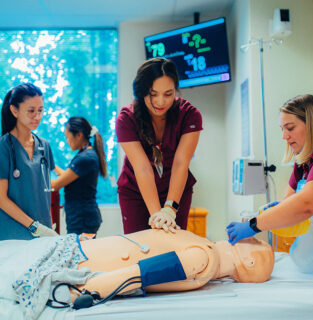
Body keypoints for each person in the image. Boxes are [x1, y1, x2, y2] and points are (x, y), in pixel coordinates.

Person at [116, 58, 202, 234]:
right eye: (153, 94)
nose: (160, 101)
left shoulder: (189, 115)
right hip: (136, 191)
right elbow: (143, 168)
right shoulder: (126, 119)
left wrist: (170, 209)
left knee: (173, 245)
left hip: (176, 189)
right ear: (141, 92)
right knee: (142, 246)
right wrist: (157, 216)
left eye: (168, 94)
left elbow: (181, 163)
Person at [227, 94, 313, 245]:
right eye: (282, 129)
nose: (284, 136)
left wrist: (253, 225)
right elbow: (290, 204)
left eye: (290, 128)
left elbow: (306, 205)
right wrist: (275, 210)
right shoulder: (302, 163)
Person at [76, 229, 274, 299]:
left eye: (255, 241)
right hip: (86, 251)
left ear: (249, 262)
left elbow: (138, 274)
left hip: (81, 262)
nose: (251, 236)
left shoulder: (203, 258)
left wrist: (83, 289)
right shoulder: (206, 251)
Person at [0, 83, 57, 240]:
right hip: (13, 234)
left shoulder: (44, 146)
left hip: (43, 232)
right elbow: (1, 199)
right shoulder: (3, 147)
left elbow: (46, 191)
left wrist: (49, 227)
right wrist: (34, 226)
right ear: (14, 110)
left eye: (40, 110)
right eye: (31, 111)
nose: (37, 116)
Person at [51, 116, 107, 235]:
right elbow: (67, 176)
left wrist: (34, 179)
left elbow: (55, 185)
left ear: (79, 135)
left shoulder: (85, 158)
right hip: (83, 217)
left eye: (67, 137)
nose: (66, 141)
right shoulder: (87, 154)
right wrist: (51, 164)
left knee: (80, 252)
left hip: (82, 219)